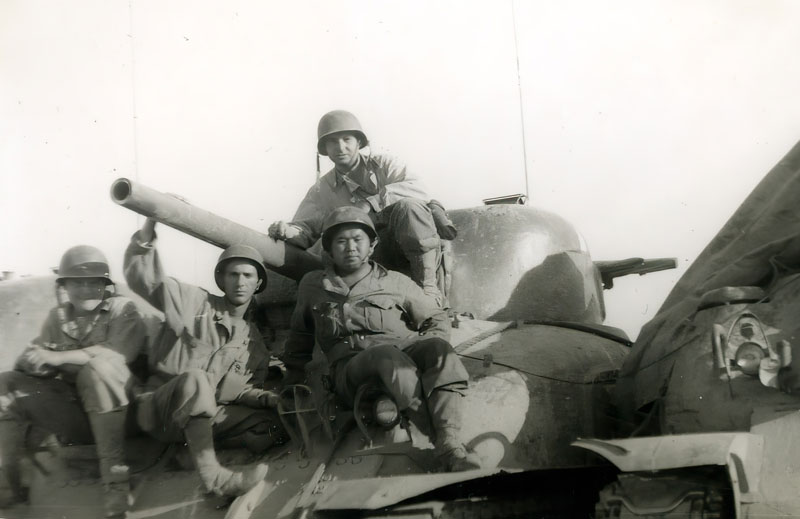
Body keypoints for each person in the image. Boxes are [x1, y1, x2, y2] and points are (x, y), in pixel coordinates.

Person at [283, 206, 481, 471]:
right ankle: (442, 442)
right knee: (384, 356)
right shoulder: (312, 285)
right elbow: (300, 339)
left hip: (402, 353)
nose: (350, 247)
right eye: (341, 241)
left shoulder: (397, 282)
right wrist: (290, 385)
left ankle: (450, 438)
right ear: (328, 249)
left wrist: (430, 347)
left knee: (439, 350)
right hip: (350, 368)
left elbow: (436, 317)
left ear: (372, 245)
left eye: (357, 239)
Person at [123, 218, 284, 498]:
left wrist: (263, 398)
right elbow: (144, 280)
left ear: (259, 283)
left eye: (248, 276)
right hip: (159, 410)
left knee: (270, 422)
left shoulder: (254, 344)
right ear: (221, 279)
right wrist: (149, 226)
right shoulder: (195, 302)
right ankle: (215, 478)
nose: (240, 282)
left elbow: (237, 391)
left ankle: (187, 455)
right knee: (196, 380)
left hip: (202, 415)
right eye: (233, 275)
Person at [0, 245, 146, 517]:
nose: (87, 289)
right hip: (79, 417)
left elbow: (118, 354)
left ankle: (116, 484)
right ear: (64, 285)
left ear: (106, 285)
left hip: (125, 415)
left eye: (94, 283)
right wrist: (34, 362)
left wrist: (55, 358)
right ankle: (10, 484)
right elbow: (39, 356)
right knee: (5, 383)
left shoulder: (123, 309)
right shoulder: (58, 317)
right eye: (78, 283)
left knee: (99, 368)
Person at [268, 110, 456, 306]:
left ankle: (428, 292)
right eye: (332, 141)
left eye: (347, 139)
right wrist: (288, 231)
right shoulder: (320, 190)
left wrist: (371, 203)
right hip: (362, 260)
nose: (340, 147)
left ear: (359, 142)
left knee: (410, 206)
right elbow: (306, 227)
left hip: (405, 248)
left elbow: (419, 189)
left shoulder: (384, 166)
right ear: (324, 148)